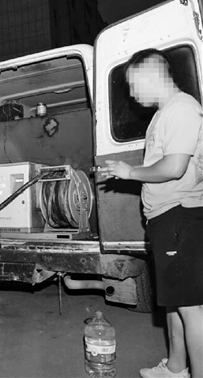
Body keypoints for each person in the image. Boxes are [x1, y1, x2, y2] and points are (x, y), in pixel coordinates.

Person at [103, 49, 203, 378]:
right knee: (176, 302)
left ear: (152, 75)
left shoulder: (181, 108)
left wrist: (130, 172)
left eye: (134, 84)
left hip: (179, 217)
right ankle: (176, 368)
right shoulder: (164, 114)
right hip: (167, 218)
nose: (132, 93)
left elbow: (174, 167)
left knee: (191, 308)